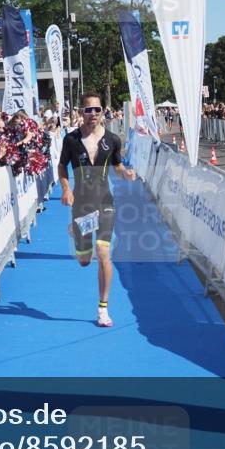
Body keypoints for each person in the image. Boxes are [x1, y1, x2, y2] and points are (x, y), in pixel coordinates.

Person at [58, 93, 136, 328]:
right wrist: (66, 189)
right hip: (81, 203)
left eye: (97, 109)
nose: (93, 114)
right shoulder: (70, 140)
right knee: (84, 260)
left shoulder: (112, 139)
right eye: (88, 110)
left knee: (103, 254)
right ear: (80, 112)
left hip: (105, 203)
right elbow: (62, 166)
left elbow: (118, 165)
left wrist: (126, 173)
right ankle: (76, 229)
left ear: (103, 112)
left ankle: (103, 309)